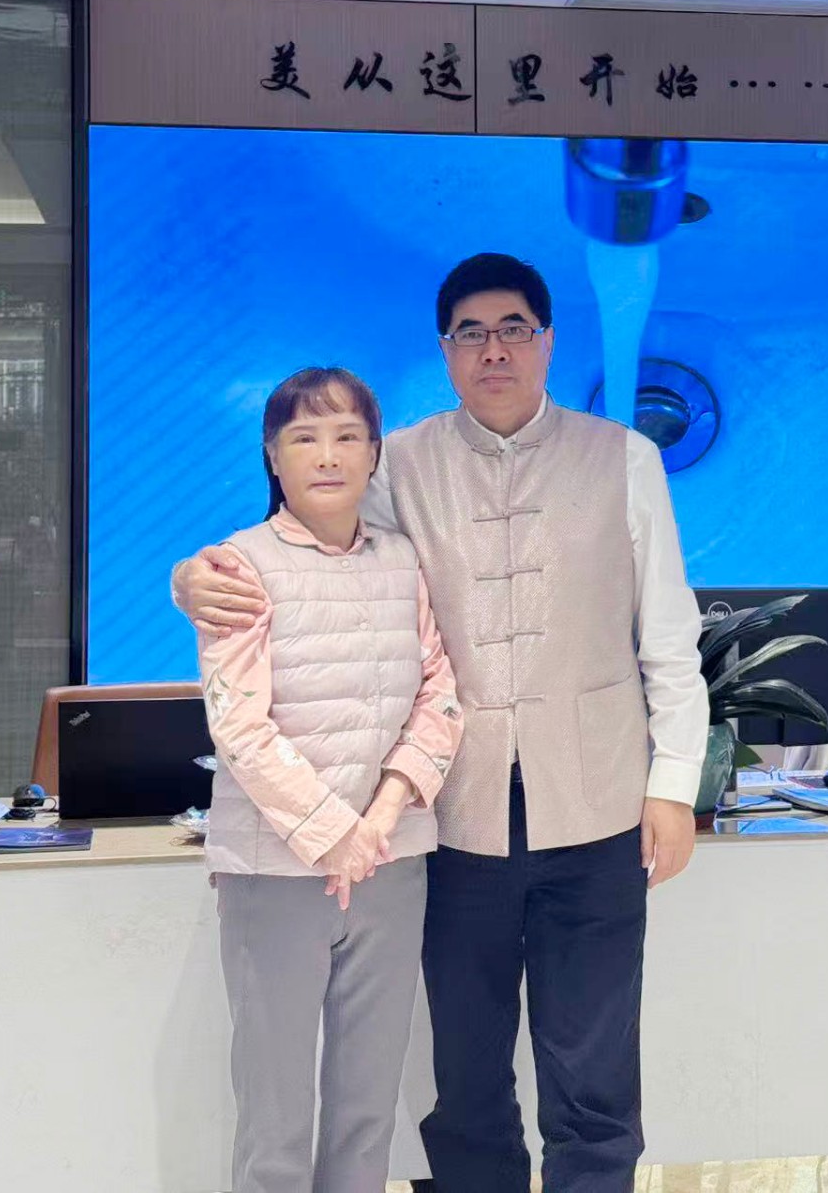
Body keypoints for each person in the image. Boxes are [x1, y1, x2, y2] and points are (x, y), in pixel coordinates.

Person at [176, 255, 710, 1193]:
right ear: (446, 350)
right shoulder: (399, 462)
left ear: (547, 341)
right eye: (471, 333)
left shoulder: (624, 457)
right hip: (455, 820)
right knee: (463, 1079)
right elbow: (323, 547)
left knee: (593, 1073)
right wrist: (192, 579)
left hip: (596, 809)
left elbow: (668, 635)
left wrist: (672, 785)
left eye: (513, 329)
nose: (493, 350)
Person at [195, 366, 463, 1193]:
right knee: (274, 1114)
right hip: (274, 871)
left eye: (347, 436)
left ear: (374, 454)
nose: (327, 455)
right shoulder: (237, 565)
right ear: (272, 455)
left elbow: (441, 695)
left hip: (391, 861)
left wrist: (381, 816)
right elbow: (239, 724)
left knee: (367, 1107)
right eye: (304, 437)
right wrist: (333, 833)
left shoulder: (404, 560)